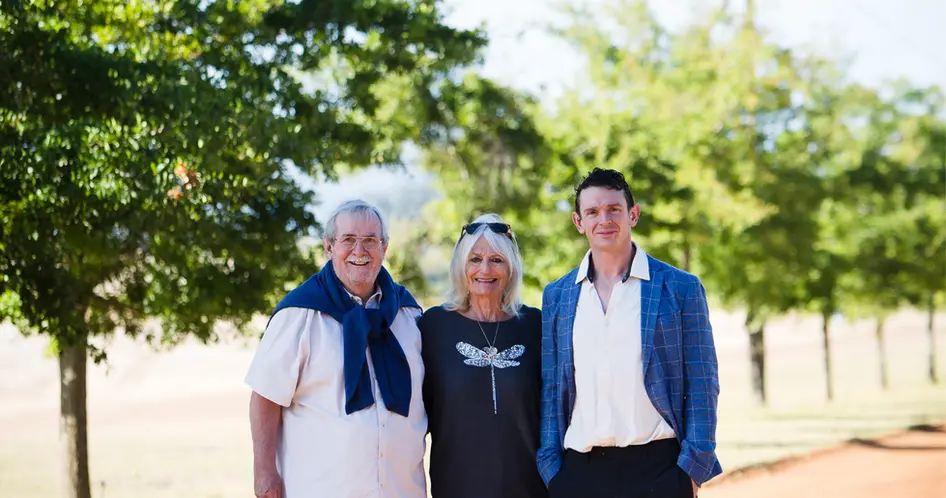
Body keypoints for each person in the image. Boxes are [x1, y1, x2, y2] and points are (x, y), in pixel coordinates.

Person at [536, 168, 722, 498]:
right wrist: (553, 470)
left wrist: (690, 473)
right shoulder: (557, 296)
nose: (603, 219)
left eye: (614, 209)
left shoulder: (680, 288)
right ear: (579, 222)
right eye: (592, 211)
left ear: (632, 214)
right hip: (579, 475)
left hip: (659, 470)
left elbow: (702, 383)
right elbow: (553, 388)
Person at [245, 199, 427, 498]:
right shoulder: (299, 315)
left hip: (401, 489)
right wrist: (264, 475)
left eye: (370, 240)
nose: (360, 251)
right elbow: (265, 397)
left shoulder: (408, 314)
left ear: (385, 247)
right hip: (322, 488)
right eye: (348, 240)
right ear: (329, 247)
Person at [420, 213, 547, 498]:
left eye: (497, 259)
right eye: (475, 259)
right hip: (456, 486)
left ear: (511, 267)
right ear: (461, 266)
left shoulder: (535, 326)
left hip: (529, 489)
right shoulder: (434, 326)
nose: (485, 269)